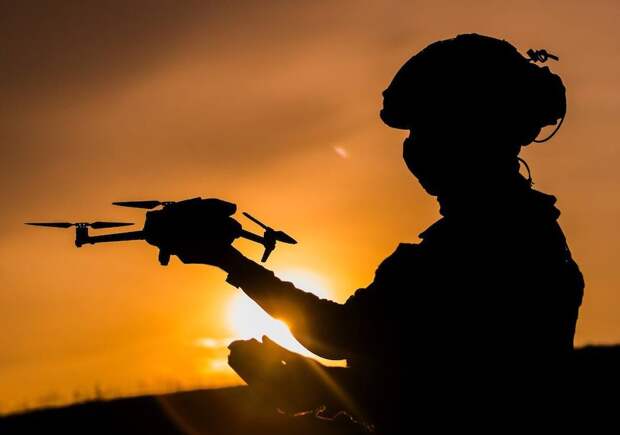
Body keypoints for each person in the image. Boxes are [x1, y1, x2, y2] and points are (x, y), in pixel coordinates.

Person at [177, 33, 584, 431]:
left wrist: (227, 260)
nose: (414, 148)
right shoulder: (528, 232)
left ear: (469, 134)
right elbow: (438, 377)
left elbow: (349, 340)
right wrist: (320, 385)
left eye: (426, 130)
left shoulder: (476, 247)